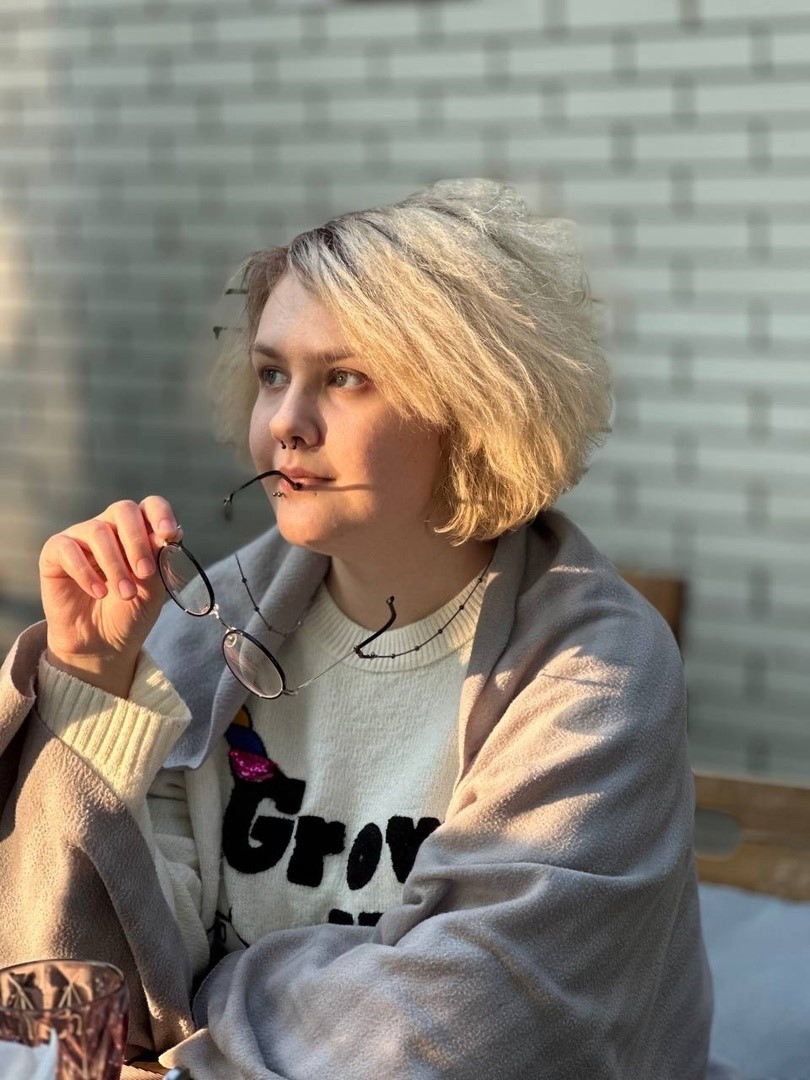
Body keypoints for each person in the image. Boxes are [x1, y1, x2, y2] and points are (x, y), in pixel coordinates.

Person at [0, 179, 714, 1078]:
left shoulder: (595, 670)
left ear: (475, 406)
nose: (286, 424)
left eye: (346, 378)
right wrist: (91, 678)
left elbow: (472, 1023)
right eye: (273, 374)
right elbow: (71, 1006)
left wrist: (219, 1000)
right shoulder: (206, 634)